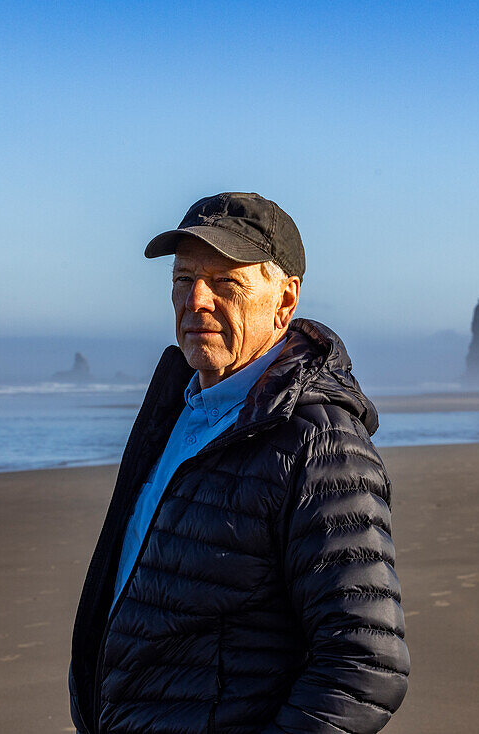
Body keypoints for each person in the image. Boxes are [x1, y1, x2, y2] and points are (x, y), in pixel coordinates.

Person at [69, 192, 409, 734]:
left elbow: (365, 664)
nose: (196, 299)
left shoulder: (320, 445)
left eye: (226, 283)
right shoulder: (177, 410)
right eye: (183, 280)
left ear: (284, 300)